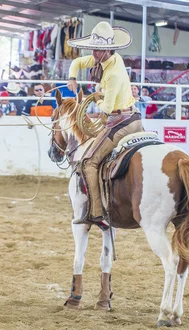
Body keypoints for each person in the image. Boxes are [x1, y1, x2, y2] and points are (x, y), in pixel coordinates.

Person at [66, 22, 142, 225]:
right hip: (134, 119)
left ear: (107, 49)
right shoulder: (110, 59)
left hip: (120, 123)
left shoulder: (113, 74)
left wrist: (95, 96)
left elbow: (106, 109)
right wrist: (72, 77)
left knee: (89, 163)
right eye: (93, 49)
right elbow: (77, 63)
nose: (93, 53)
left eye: (97, 50)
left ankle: (97, 212)